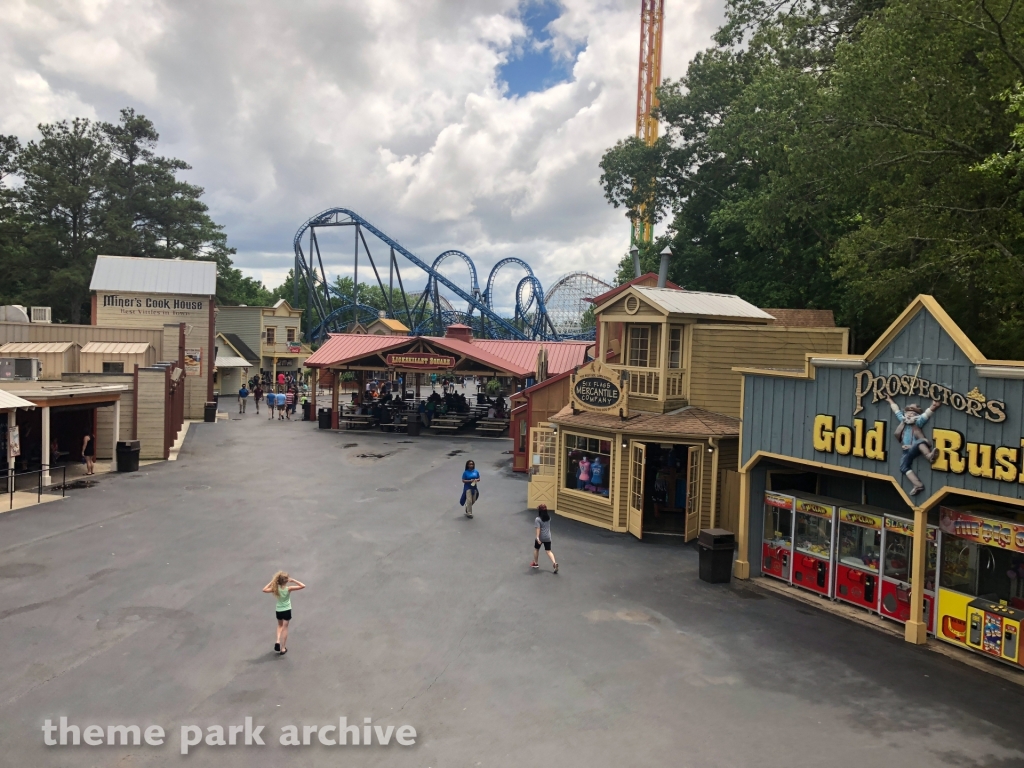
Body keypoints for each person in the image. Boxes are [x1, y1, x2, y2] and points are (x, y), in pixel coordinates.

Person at [885, 394, 941, 496]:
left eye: (912, 413)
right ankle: (917, 485)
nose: (909, 415)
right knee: (903, 467)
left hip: (916, 447)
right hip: (906, 450)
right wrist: (890, 400)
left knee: (920, 442)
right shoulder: (903, 421)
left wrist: (934, 406)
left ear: (916, 415)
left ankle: (929, 456)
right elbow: (896, 411)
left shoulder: (918, 423)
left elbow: (926, 414)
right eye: (908, 413)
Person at [262, 571, 305, 655]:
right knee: (285, 628)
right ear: (286, 581)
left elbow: (264, 589)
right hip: (287, 610)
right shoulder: (288, 588)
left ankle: (277, 640)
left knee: (279, 626)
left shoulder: (275, 589)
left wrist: (272, 582)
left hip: (279, 610)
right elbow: (303, 585)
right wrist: (293, 580)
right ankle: (283, 648)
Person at [531, 505, 558, 573]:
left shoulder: (538, 519)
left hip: (541, 537)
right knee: (548, 551)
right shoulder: (549, 518)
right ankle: (554, 563)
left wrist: (537, 538)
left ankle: (535, 563)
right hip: (548, 536)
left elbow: (538, 529)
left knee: (536, 549)